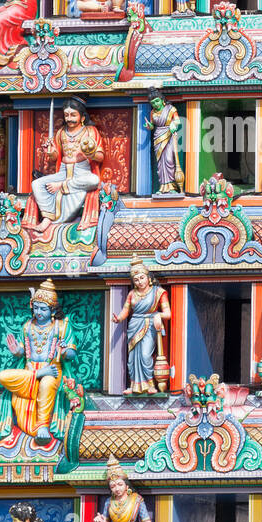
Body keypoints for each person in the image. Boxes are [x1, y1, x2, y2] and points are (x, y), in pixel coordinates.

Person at [0, 280, 79, 445]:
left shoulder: (61, 327)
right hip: (30, 371)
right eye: (36, 307)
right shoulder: (27, 326)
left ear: (52, 309)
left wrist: (64, 351)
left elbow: (72, 353)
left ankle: (42, 426)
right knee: (3, 376)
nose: (39, 312)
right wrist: (16, 351)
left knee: (46, 384)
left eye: (43, 308)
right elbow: (22, 350)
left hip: (52, 370)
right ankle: (38, 375)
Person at [25, 97, 104, 232]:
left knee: (94, 180)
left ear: (82, 117)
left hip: (81, 172)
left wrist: (90, 153)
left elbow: (100, 157)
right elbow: (55, 157)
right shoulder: (61, 132)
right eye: (66, 115)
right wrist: (49, 152)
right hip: (62, 172)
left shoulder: (90, 131)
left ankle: (61, 187)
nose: (69, 119)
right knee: (36, 184)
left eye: (73, 115)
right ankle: (48, 217)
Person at [112, 256, 170, 395]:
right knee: (132, 359)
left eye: (142, 278)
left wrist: (158, 315)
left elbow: (168, 313)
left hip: (150, 325)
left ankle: (150, 385)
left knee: (145, 355)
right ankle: (134, 386)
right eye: (136, 280)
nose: (140, 282)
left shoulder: (158, 292)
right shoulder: (132, 294)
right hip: (134, 325)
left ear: (148, 278)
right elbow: (126, 310)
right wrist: (118, 318)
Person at [146, 91, 183, 194]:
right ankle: (163, 187)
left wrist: (173, 124)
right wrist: (149, 126)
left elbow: (177, 120)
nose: (155, 104)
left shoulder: (170, 109)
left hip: (169, 134)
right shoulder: (152, 112)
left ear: (162, 101)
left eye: (157, 101)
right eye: (153, 103)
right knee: (160, 163)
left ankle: (171, 186)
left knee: (169, 160)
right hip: (158, 136)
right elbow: (153, 125)